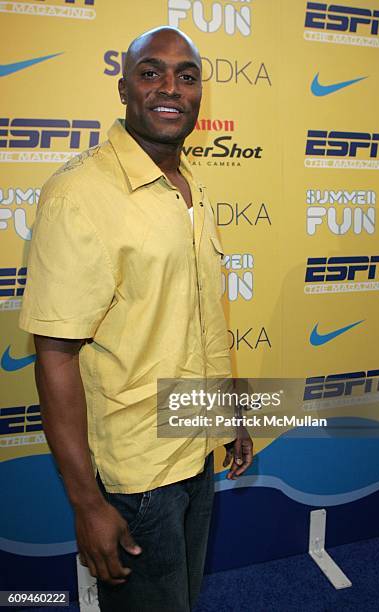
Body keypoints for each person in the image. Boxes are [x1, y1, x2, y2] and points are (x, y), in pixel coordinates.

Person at [19, 26, 253, 612]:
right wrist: (87, 504)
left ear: (200, 93)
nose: (170, 87)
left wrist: (228, 415)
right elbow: (55, 356)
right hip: (136, 478)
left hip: (195, 448)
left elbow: (197, 322)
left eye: (187, 75)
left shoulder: (188, 188)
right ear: (124, 88)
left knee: (184, 599)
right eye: (151, 72)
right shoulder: (78, 194)